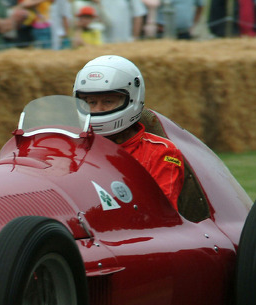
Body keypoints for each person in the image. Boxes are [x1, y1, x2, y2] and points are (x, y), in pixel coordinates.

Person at [73, 55, 184, 207]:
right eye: (91, 102)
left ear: (133, 99)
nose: (98, 109)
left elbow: (162, 213)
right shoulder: (76, 147)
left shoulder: (159, 152)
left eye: (108, 101)